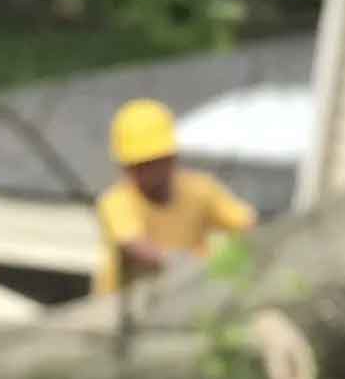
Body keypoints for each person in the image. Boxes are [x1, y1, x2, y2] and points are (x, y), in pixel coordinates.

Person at [94, 98, 257, 294]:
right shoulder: (116, 202)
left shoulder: (200, 189)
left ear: (170, 158)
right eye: (134, 165)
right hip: (121, 313)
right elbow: (138, 248)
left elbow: (248, 225)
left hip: (183, 302)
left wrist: (235, 255)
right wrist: (194, 264)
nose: (141, 172)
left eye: (149, 162)